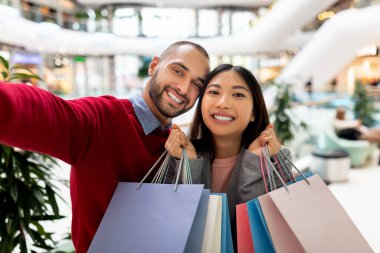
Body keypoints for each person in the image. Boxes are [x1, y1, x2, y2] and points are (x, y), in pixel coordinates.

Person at [0, 41, 210, 252]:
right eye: (177, 71)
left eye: (196, 84)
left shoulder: (179, 146)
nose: (183, 88)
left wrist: (188, 164)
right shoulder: (102, 121)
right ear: (154, 66)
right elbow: (46, 111)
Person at [164, 64, 293, 247]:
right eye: (214, 92)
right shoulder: (180, 155)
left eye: (238, 94)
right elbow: (182, 229)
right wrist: (189, 164)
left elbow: (259, 235)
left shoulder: (277, 159)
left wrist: (255, 162)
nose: (223, 103)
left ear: (254, 113)